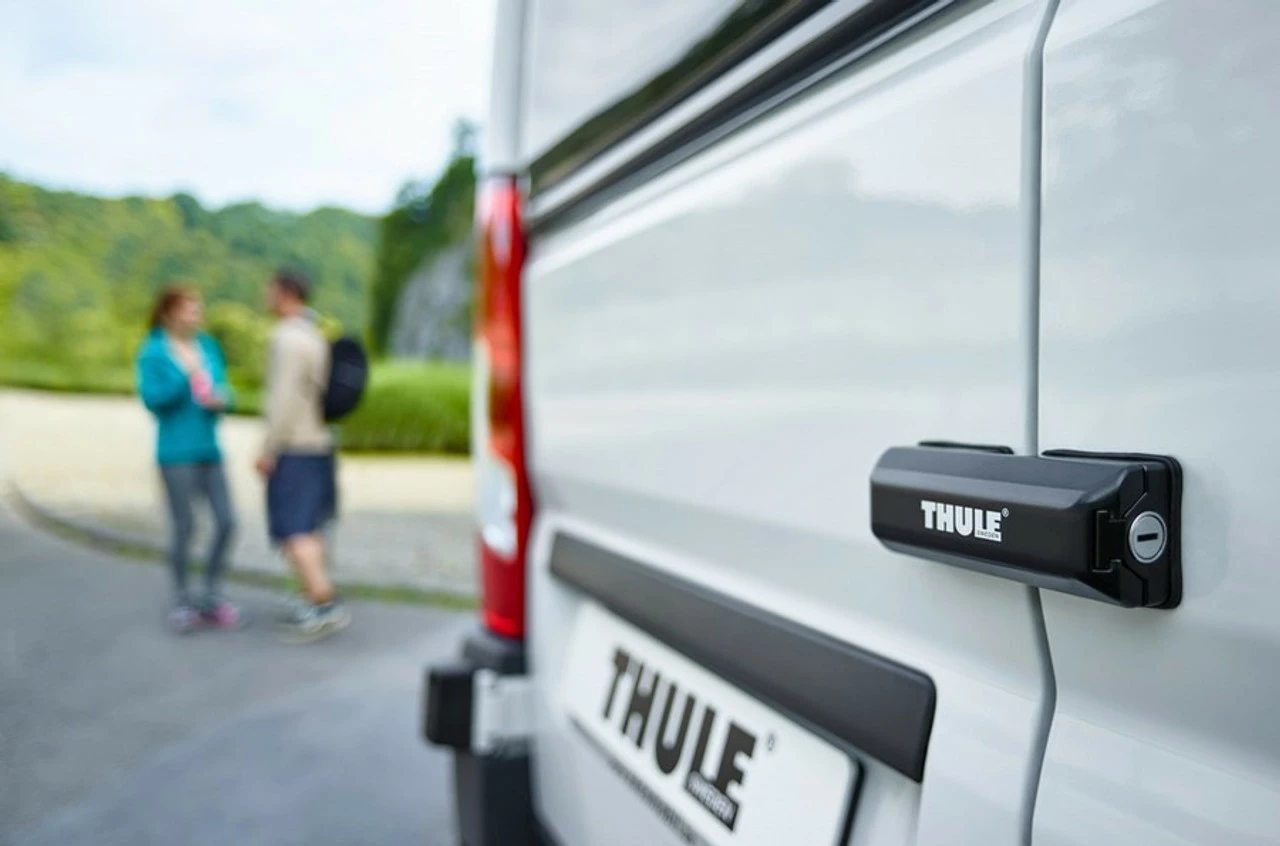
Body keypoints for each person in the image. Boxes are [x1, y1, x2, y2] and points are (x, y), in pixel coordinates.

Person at [136, 285, 242, 633]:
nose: (196, 315)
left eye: (198, 308)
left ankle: (211, 593)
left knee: (227, 522)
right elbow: (153, 400)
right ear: (169, 312)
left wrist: (222, 399)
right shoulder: (154, 351)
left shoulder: (207, 346)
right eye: (189, 308)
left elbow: (224, 389)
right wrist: (186, 377)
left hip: (208, 450)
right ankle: (182, 599)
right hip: (175, 453)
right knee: (185, 527)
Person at [257, 268, 350, 642]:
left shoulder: (288, 338)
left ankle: (324, 604)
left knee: (294, 529)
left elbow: (283, 399)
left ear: (285, 292)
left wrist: (269, 448)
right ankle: (313, 599)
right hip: (319, 443)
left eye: (270, 289)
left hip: (294, 445)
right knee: (310, 526)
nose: (265, 295)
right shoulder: (315, 333)